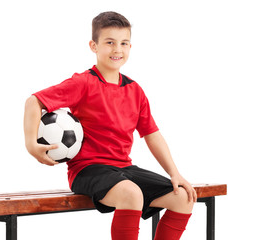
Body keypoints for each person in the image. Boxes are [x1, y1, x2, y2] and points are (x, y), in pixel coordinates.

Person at [24, 11, 197, 240]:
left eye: (124, 43)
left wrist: (175, 174)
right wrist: (31, 145)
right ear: (93, 46)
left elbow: (152, 134)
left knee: (183, 197)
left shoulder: (135, 90)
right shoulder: (83, 83)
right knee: (131, 193)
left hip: (123, 169)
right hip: (87, 170)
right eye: (110, 42)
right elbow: (34, 102)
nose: (118, 50)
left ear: (130, 47)